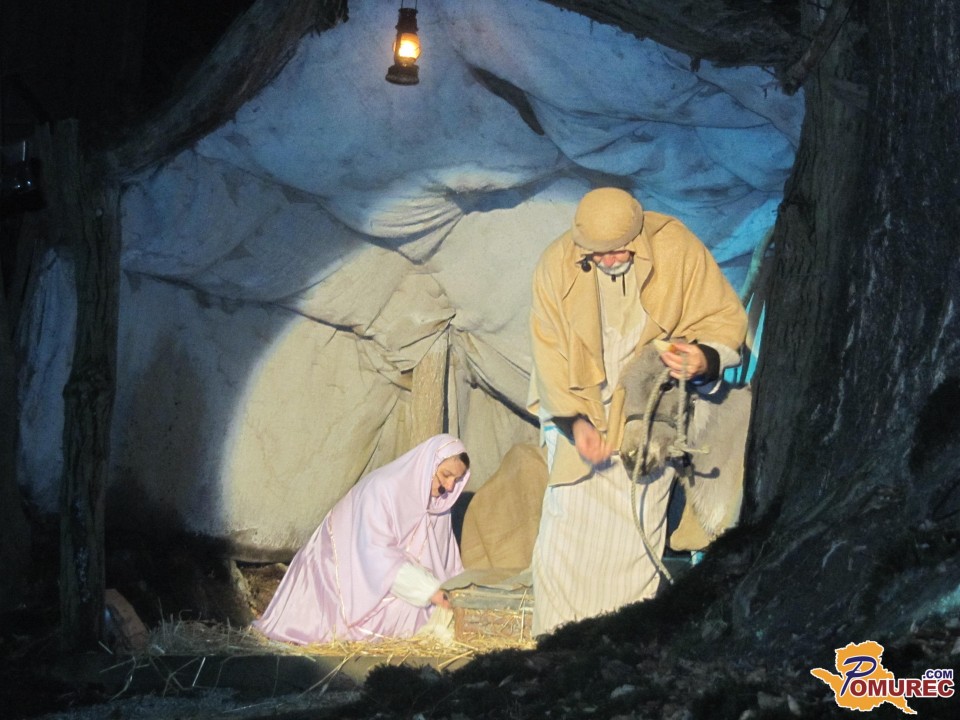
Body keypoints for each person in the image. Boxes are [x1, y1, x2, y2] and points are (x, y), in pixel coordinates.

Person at [528, 187, 747, 636]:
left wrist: (703, 357)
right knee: (564, 535)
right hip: (582, 408)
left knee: (634, 533)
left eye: (618, 251)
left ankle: (619, 644)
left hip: (648, 414)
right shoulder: (556, 264)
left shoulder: (676, 247)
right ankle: (557, 646)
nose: (609, 261)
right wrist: (574, 423)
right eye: (598, 254)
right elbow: (547, 352)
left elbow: (721, 318)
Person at [253, 434, 470, 644]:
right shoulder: (383, 488)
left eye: (457, 480)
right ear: (428, 464)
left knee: (437, 616)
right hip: (338, 581)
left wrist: (458, 594)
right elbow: (375, 556)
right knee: (414, 613)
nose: (450, 486)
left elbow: (447, 562)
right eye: (446, 475)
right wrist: (429, 591)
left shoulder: (441, 505)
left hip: (397, 583)